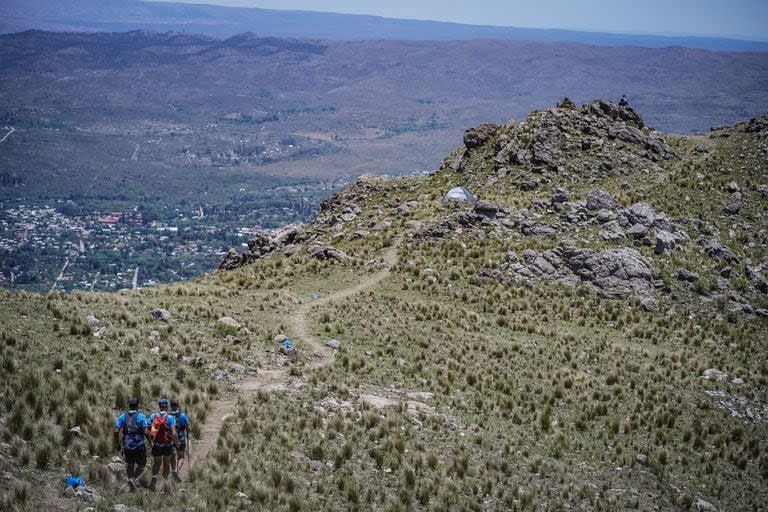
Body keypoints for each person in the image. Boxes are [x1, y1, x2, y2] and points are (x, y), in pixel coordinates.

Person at [114, 397, 150, 492]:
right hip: (139, 446)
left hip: (127, 446)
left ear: (129, 406)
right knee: (142, 465)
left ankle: (131, 481)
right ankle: (132, 479)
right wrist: (151, 442)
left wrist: (117, 442)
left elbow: (116, 430)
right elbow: (146, 432)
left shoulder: (123, 416)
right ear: (137, 406)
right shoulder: (141, 416)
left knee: (130, 465)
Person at [148, 398, 179, 490]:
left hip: (156, 444)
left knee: (157, 463)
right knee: (166, 463)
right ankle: (165, 482)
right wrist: (177, 443)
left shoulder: (153, 416)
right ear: (167, 406)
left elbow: (147, 430)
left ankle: (154, 477)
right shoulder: (170, 417)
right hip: (167, 445)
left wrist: (150, 442)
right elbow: (174, 433)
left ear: (159, 406)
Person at [169, 398, 190, 480]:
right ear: (178, 406)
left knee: (172, 456)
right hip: (180, 439)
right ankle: (177, 471)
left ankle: (173, 470)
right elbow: (188, 428)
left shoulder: (168, 415)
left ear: (171, 406)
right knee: (181, 456)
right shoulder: (183, 415)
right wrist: (188, 430)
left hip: (170, 439)